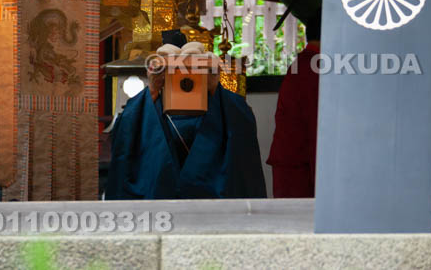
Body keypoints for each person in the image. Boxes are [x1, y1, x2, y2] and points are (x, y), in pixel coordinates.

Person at [105, 31, 266, 200]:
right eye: (174, 68)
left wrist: (214, 88)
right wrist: (152, 90)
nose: (183, 74)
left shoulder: (220, 104)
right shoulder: (146, 106)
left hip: (209, 206)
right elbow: (125, 145)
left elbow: (242, 139)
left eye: (191, 67)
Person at [266, 27, 320, 198]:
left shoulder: (306, 63)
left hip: (293, 163)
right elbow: (315, 125)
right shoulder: (314, 66)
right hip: (301, 168)